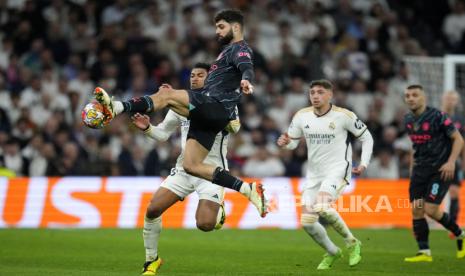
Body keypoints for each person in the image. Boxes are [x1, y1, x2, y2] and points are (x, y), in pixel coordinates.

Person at [92, 9, 267, 218]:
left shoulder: (239, 48)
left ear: (236, 27)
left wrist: (246, 78)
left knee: (165, 95)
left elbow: (246, 64)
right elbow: (164, 132)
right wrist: (152, 124)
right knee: (191, 165)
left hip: (216, 105)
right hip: (207, 116)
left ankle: (117, 107)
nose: (217, 32)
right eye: (216, 27)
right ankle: (248, 190)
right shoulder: (226, 52)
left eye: (221, 27)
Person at [134, 63, 232, 275]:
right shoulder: (180, 104)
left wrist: (193, 109)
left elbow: (235, 126)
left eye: (200, 75)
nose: (194, 79)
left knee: (205, 224)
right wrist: (148, 128)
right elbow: (162, 134)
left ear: (211, 78)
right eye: (192, 76)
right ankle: (151, 260)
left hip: (210, 172)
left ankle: (218, 209)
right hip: (184, 169)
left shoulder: (223, 102)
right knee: (152, 209)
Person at [277, 79, 374, 270]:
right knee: (307, 222)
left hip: (337, 169)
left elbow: (366, 137)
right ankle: (332, 252)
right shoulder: (301, 116)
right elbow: (293, 143)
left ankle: (352, 242)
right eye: (312, 92)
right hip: (314, 173)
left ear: (330, 95)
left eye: (320, 92)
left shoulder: (344, 115)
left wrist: (363, 163)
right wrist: (285, 142)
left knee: (322, 206)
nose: (315, 96)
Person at [403, 85, 465, 262]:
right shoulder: (407, 119)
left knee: (430, 209)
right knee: (416, 210)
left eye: (415, 95)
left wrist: (452, 162)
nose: (411, 98)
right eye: (407, 96)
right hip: (419, 171)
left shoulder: (438, 116)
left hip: (440, 169)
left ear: (424, 98)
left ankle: (459, 234)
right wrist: (412, 170)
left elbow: (458, 139)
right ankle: (424, 252)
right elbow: (415, 147)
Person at [441, 90, 465, 231]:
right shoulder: (435, 116)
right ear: (443, 99)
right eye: (448, 98)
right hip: (435, 160)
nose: (450, 101)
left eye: (453, 99)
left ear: (457, 102)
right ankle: (420, 223)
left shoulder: (460, 120)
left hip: (453, 160)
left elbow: (463, 142)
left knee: (454, 192)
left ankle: (452, 225)